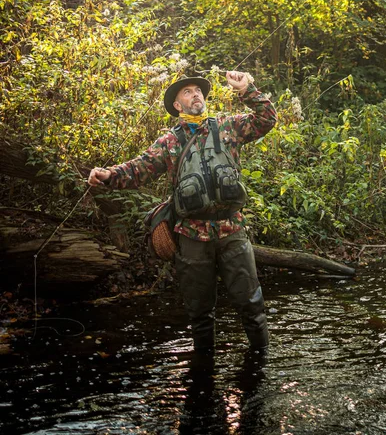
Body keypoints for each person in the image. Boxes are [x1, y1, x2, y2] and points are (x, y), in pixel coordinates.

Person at [88, 70, 277, 353]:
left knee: (252, 305)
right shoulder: (169, 142)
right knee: (200, 316)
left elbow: (266, 119)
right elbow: (138, 169)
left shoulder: (227, 127)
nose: (196, 94)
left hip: (232, 231)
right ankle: (204, 381)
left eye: (198, 91)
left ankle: (261, 369)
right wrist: (108, 175)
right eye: (187, 92)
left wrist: (247, 88)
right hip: (191, 236)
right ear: (177, 105)